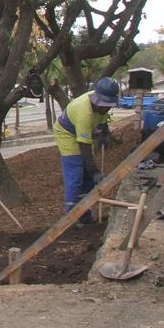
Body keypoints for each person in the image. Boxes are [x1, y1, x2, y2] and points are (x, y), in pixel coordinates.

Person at [54, 77, 119, 224]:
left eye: (109, 105)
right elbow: (84, 146)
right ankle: (71, 218)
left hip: (83, 132)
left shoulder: (103, 107)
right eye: (104, 105)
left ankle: (84, 214)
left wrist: (104, 133)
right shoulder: (84, 112)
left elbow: (101, 122)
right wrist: (94, 171)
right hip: (67, 133)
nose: (106, 109)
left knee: (88, 178)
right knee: (76, 171)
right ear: (97, 99)